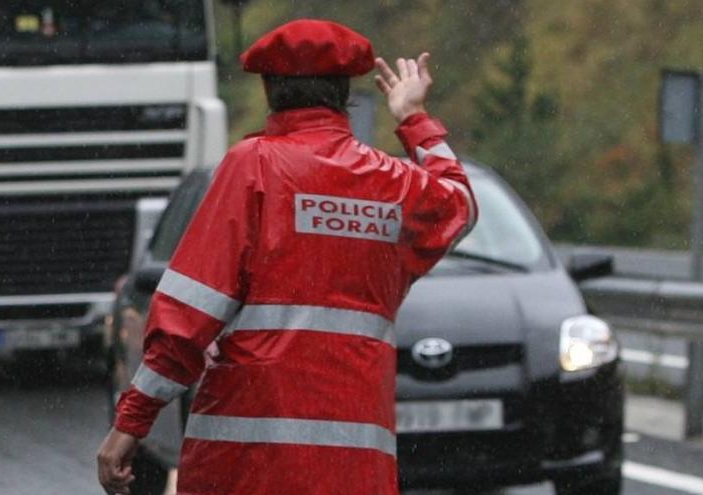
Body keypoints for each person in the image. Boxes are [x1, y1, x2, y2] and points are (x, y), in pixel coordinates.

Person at [96, 19, 476, 495]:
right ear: (343, 93)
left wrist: (131, 422)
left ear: (270, 88)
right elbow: (458, 206)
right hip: (354, 466)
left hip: (245, 462)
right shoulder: (391, 185)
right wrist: (413, 117)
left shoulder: (253, 165)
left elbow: (188, 317)